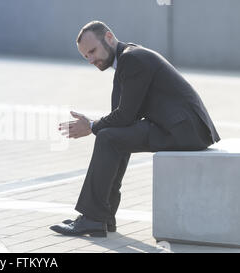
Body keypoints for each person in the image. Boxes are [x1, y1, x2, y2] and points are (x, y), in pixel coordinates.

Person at [50, 20, 220, 238]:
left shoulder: (132, 59)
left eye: (92, 51)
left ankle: (94, 218)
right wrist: (97, 127)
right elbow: (121, 118)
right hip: (179, 127)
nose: (91, 60)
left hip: (184, 131)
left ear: (109, 38)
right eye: (86, 56)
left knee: (108, 138)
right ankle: (103, 216)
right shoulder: (126, 59)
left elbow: (125, 115)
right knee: (111, 138)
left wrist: (91, 126)